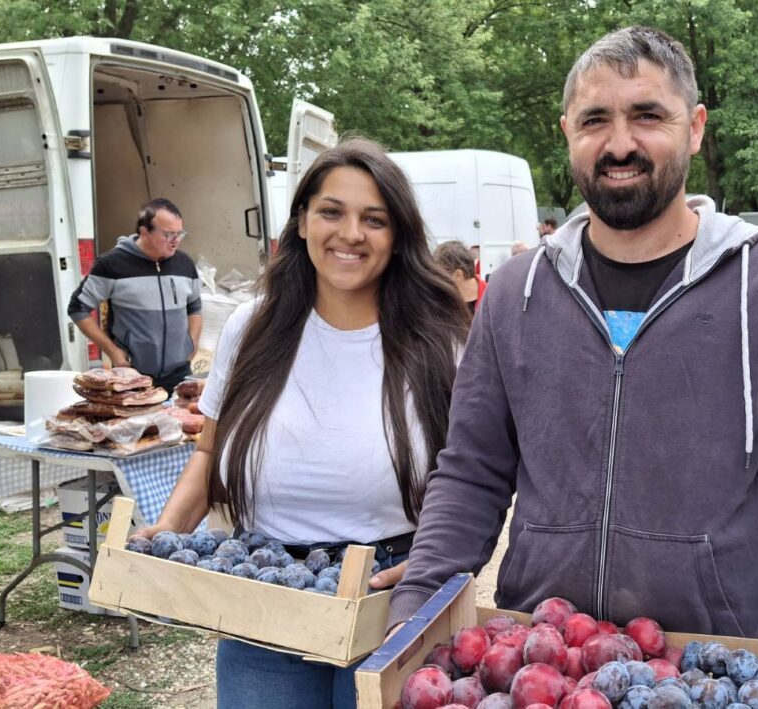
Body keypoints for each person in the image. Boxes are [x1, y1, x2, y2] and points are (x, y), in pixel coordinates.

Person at [390, 27, 758, 708]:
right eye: (595, 120)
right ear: (567, 131)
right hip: (546, 673)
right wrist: (417, 605)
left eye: (647, 115)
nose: (620, 143)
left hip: (704, 680)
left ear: (694, 127)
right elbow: (471, 471)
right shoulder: (516, 292)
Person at [138, 140, 468, 708]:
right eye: (332, 211)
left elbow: (474, 477)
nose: (350, 234)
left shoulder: (441, 340)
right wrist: (165, 535)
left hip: (390, 595)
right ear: (302, 221)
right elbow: (208, 454)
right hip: (264, 589)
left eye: (375, 219)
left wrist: (435, 564)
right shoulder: (252, 328)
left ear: (399, 234)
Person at [67, 199, 202, 392]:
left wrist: (192, 344)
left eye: (179, 233)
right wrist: (112, 351)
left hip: (180, 373)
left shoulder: (184, 264)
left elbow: (194, 306)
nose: (176, 240)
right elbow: (78, 308)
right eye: (168, 234)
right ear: (144, 231)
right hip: (132, 374)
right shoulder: (112, 264)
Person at [433, 239, 486, 314]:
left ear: (458, 274)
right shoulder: (438, 298)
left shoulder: (492, 298)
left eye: (440, 274)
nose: (437, 279)